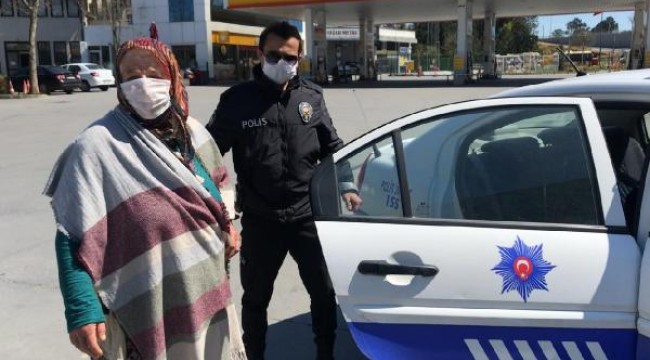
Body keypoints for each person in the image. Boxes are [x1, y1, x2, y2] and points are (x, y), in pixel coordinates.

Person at [44, 28, 246, 360]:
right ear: (119, 83)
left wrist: (228, 224)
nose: (142, 84)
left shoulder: (191, 132)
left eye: (153, 74)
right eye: (131, 75)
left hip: (207, 296)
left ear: (173, 77)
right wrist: (81, 308)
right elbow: (72, 236)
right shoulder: (96, 146)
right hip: (145, 308)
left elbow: (218, 181)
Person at [206, 21, 362, 360]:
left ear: (299, 58)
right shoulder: (236, 101)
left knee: (323, 294)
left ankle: (325, 353)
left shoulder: (311, 97)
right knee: (256, 299)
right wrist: (219, 209)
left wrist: (347, 185)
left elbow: (333, 146)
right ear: (260, 54)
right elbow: (209, 156)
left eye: (289, 57)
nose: (281, 62)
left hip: (307, 217)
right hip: (262, 219)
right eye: (274, 55)